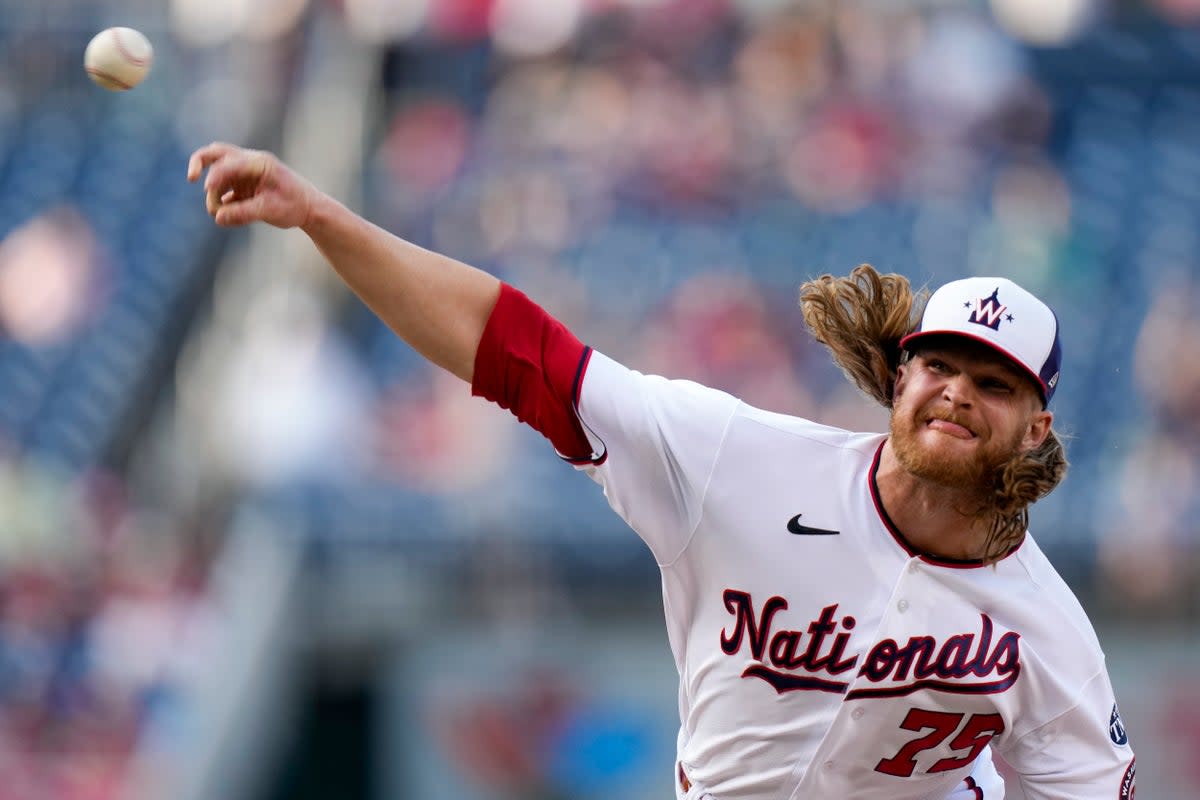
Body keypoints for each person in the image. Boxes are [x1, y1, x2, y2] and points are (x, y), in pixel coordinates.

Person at [187, 142, 1136, 800]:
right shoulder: (739, 463)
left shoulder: (1048, 631)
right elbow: (519, 351)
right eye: (941, 366)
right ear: (899, 376)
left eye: (995, 384)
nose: (959, 393)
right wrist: (317, 215)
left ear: (1036, 427)